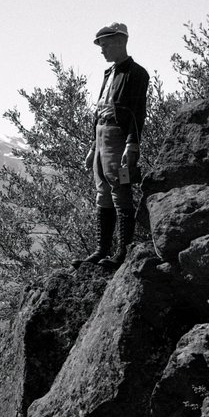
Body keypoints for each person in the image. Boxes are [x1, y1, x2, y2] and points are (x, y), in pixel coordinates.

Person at [73, 22, 150, 269]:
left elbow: (138, 113)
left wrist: (132, 145)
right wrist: (93, 147)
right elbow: (99, 111)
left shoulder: (137, 74)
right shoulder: (109, 74)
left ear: (120, 41)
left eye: (105, 44)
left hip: (119, 138)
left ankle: (121, 253)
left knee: (120, 189)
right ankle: (101, 250)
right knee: (102, 192)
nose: (102, 50)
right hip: (102, 137)